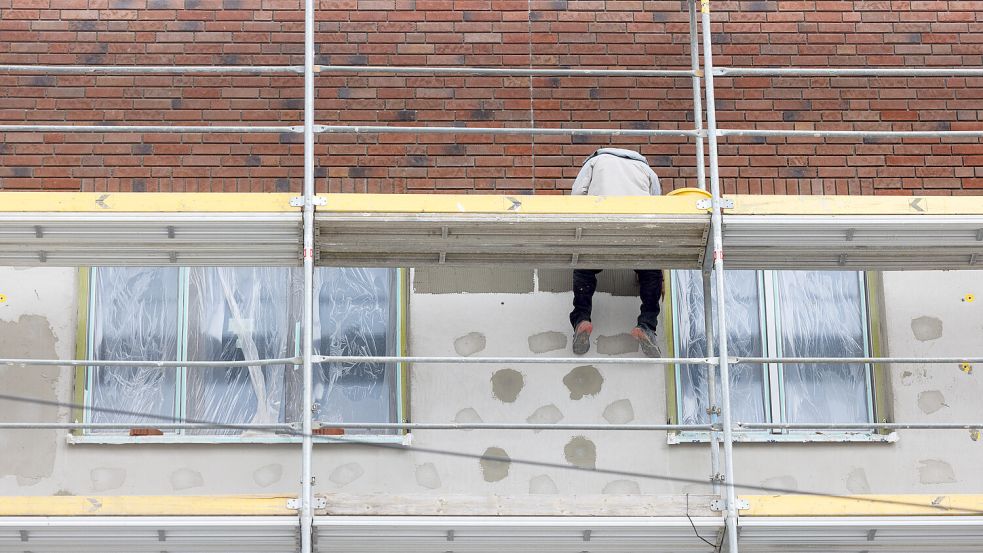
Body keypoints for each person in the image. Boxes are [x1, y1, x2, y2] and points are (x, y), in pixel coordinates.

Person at [569, 148, 663, 358]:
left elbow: (577, 196)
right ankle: (647, 325)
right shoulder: (647, 170)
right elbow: (658, 205)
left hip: (601, 226)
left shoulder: (596, 162)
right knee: (651, 272)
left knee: (584, 269)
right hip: (636, 230)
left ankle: (582, 319)